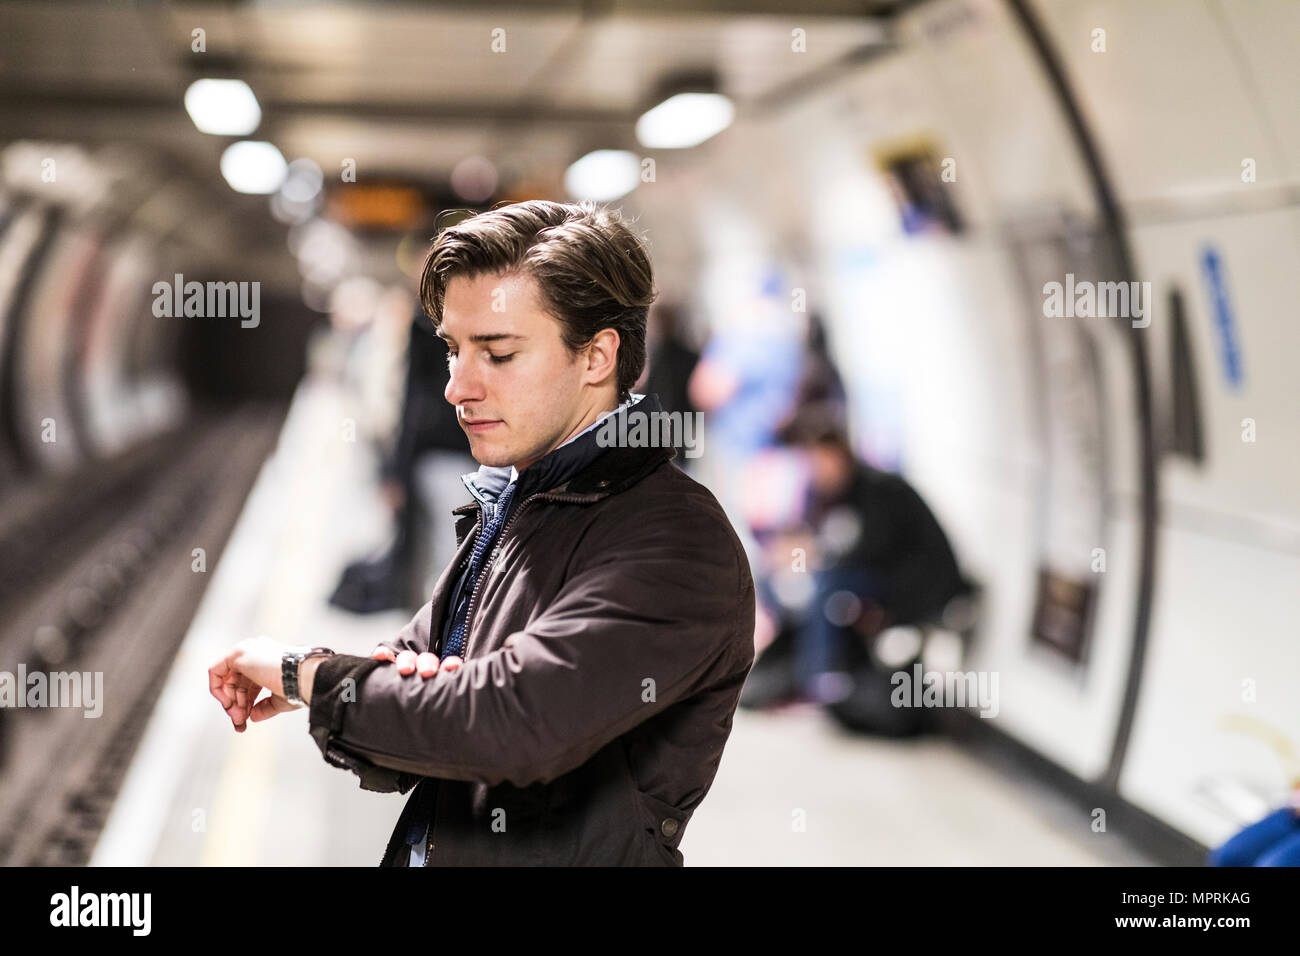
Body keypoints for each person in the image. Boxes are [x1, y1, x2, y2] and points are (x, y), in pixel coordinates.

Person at [207, 200, 757, 866]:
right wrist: (394, 697)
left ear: (597, 357)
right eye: (452, 352)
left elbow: (507, 724)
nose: (457, 388)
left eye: (497, 354)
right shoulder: (523, 499)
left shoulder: (676, 544)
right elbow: (419, 697)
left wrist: (306, 677)